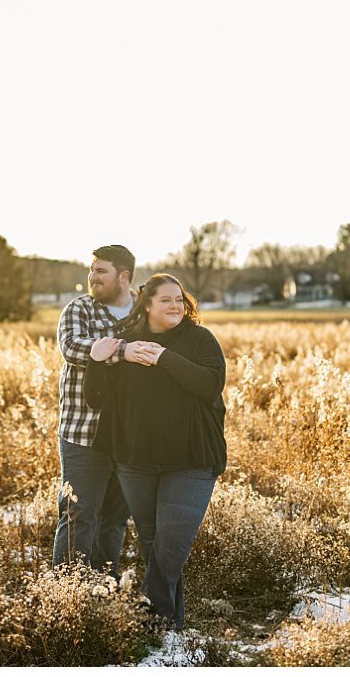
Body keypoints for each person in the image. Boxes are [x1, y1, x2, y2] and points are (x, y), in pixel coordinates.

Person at [83, 273, 226, 629]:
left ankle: (154, 616)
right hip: (136, 458)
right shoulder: (127, 342)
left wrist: (164, 358)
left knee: (172, 543)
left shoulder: (199, 339)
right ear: (147, 304)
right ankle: (170, 626)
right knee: (153, 542)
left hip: (192, 458)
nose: (176, 306)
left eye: (179, 299)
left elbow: (209, 385)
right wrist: (96, 361)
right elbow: (95, 397)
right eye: (166, 300)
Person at [52, 244, 152, 573]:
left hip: (129, 434)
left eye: (100, 271)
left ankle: (101, 589)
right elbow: (72, 347)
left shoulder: (144, 313)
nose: (91, 277)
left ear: (124, 276)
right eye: (91, 270)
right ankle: (67, 593)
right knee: (78, 515)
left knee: (114, 520)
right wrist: (125, 350)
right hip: (84, 433)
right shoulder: (79, 309)